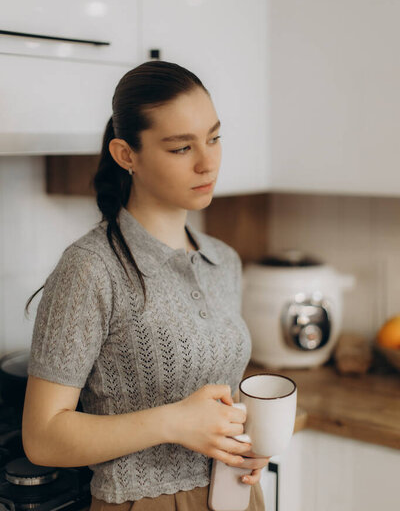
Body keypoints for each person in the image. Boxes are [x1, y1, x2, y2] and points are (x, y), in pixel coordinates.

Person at [22, 60, 269, 510]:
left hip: (238, 494)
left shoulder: (222, 260)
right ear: (126, 155)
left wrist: (248, 439)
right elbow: (42, 436)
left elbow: (219, 396)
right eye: (180, 148)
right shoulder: (91, 268)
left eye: (214, 138)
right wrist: (173, 423)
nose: (206, 161)